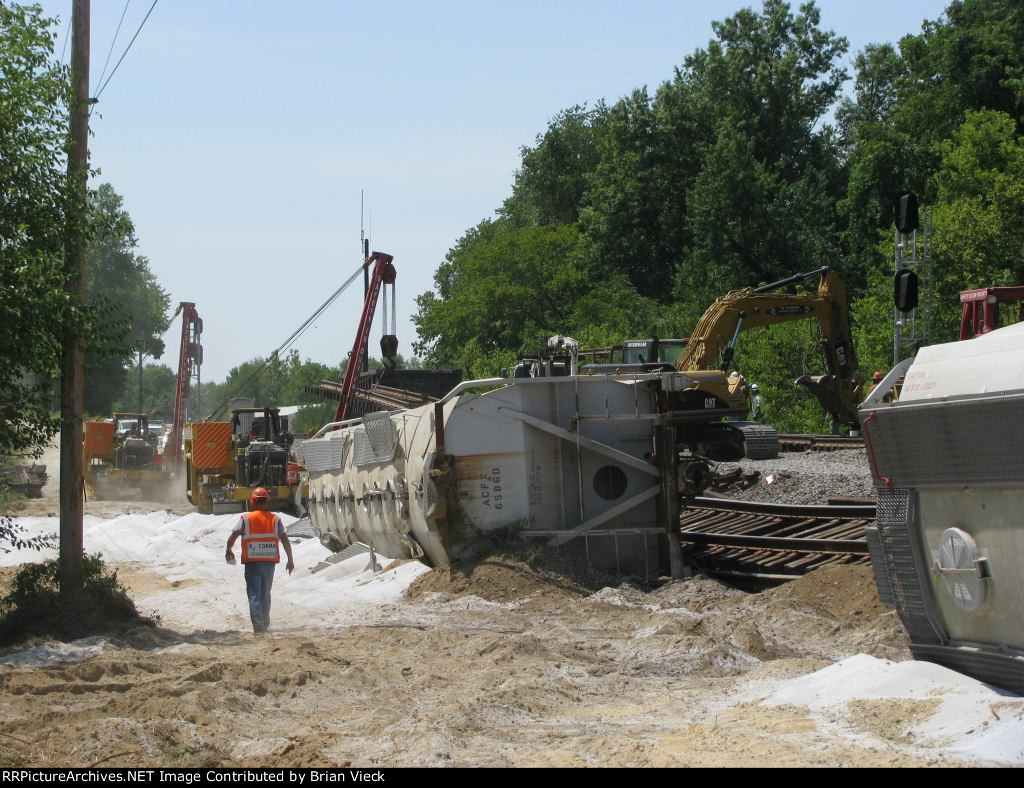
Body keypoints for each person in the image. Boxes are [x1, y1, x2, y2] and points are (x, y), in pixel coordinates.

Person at [225, 487, 295, 634]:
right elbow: (285, 539)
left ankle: (259, 627)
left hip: (253, 563)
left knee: (254, 594)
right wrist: (290, 559)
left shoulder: (246, 518)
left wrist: (229, 550)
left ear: (252, 501)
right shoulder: (275, 519)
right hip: (269, 563)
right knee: (265, 593)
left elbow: (234, 535)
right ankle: (265, 622)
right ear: (267, 501)